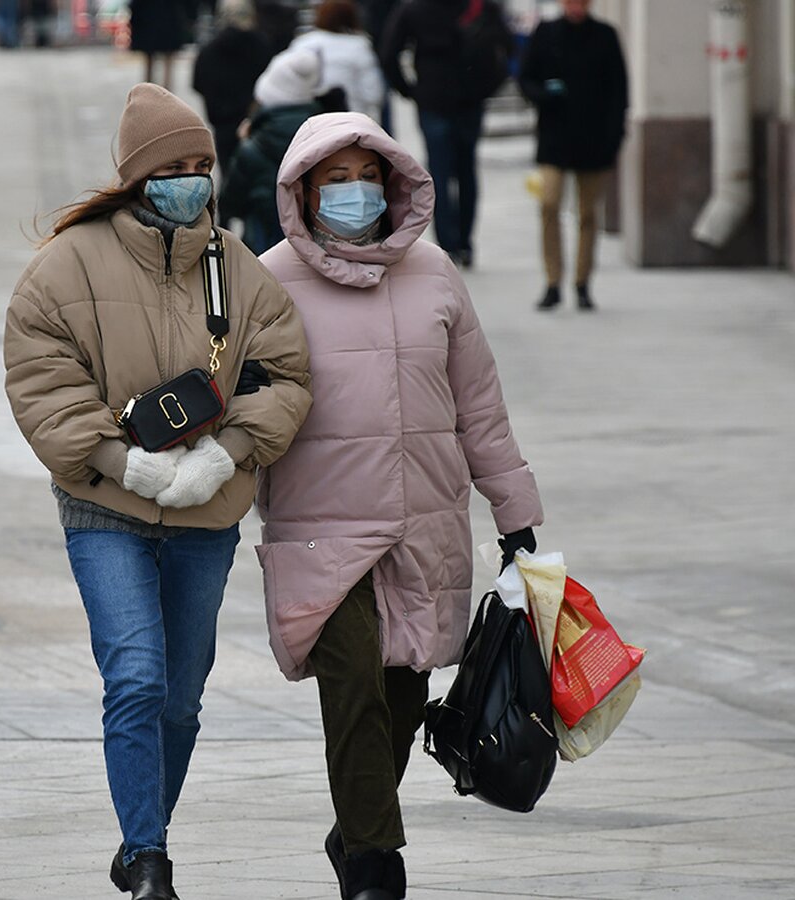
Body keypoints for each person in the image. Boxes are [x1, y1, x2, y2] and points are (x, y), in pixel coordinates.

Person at [3, 84, 313, 900]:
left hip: (207, 515)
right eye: (174, 166)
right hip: (105, 508)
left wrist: (228, 454)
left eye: (202, 165)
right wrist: (119, 459)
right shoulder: (66, 264)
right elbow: (40, 376)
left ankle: (145, 836)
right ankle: (148, 859)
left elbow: (285, 374)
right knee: (135, 678)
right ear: (137, 175)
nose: (193, 180)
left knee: (179, 698)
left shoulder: (236, 266)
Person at [256, 112, 543, 900]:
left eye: (366, 177)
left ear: (391, 182)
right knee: (350, 687)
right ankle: (377, 869)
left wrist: (513, 515)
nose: (354, 193)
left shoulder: (435, 272)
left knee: (404, 691)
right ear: (304, 193)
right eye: (334, 180)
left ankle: (354, 825)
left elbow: (479, 405)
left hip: (424, 520)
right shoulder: (269, 279)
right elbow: (248, 407)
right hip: (322, 529)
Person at [380, 0, 513, 267]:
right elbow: (509, 48)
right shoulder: (479, 6)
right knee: (466, 170)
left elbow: (388, 53)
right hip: (467, 97)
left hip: (435, 98)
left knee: (439, 172)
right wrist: (489, 85)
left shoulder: (416, 9)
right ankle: (463, 242)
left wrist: (410, 90)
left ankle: (449, 243)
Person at [518, 0, 627, 311]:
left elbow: (618, 90)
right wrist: (544, 96)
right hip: (554, 137)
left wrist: (614, 136)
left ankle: (582, 282)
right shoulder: (547, 33)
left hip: (594, 140)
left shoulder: (605, 35)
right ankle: (553, 281)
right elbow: (526, 78)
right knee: (549, 203)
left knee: (588, 213)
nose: (576, 6)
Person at [220, 46, 322, 254]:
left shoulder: (253, 147)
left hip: (263, 247)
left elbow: (231, 202)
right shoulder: (325, 140)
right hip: (315, 248)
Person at [191, 0, 275, 179]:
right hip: (255, 120)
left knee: (229, 176)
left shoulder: (209, 51)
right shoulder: (262, 44)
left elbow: (197, 83)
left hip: (222, 122)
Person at [289, 0, 386, 123]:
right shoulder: (359, 46)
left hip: (309, 119)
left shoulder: (302, 44)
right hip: (351, 119)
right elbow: (373, 93)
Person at [129, 0, 189, 91]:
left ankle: (148, 90)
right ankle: (166, 91)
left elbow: (135, 5)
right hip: (170, 19)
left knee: (149, 59)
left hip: (148, 20)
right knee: (168, 59)